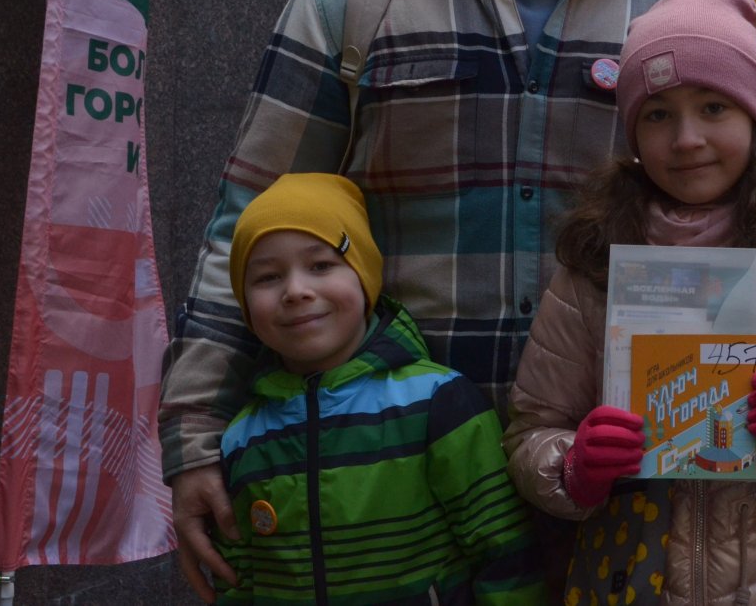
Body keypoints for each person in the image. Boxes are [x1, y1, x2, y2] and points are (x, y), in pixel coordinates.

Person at [159, 0, 691, 601]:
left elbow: (749, 234)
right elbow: (250, 217)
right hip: (396, 507)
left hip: (615, 479)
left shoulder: (680, 12)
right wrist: (196, 437)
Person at [504, 0, 756, 605]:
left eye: (714, 108)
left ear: (755, 117)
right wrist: (575, 467)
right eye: (658, 114)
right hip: (631, 581)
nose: (686, 138)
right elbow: (531, 431)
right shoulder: (595, 265)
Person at [215, 172, 543, 605]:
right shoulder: (242, 438)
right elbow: (237, 581)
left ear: (364, 276)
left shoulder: (437, 402)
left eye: (321, 265)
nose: (295, 291)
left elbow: (504, 552)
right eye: (267, 277)